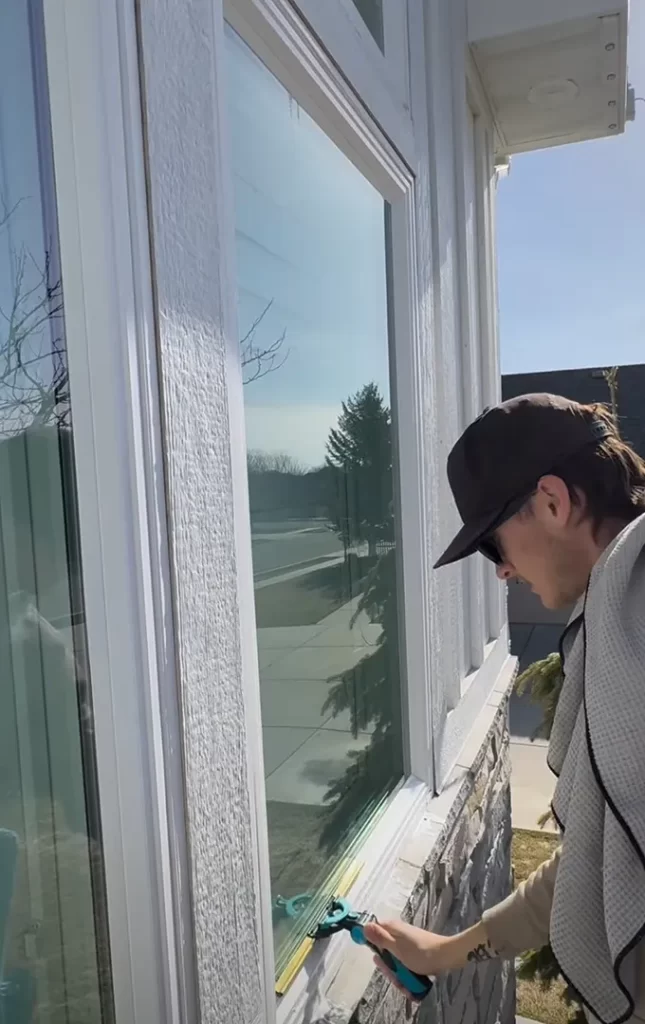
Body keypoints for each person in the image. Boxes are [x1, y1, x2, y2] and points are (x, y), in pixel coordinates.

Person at [364, 393, 645, 1024]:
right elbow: (601, 856)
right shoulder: (619, 618)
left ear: (553, 501)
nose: (502, 571)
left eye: (495, 545)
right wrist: (447, 950)